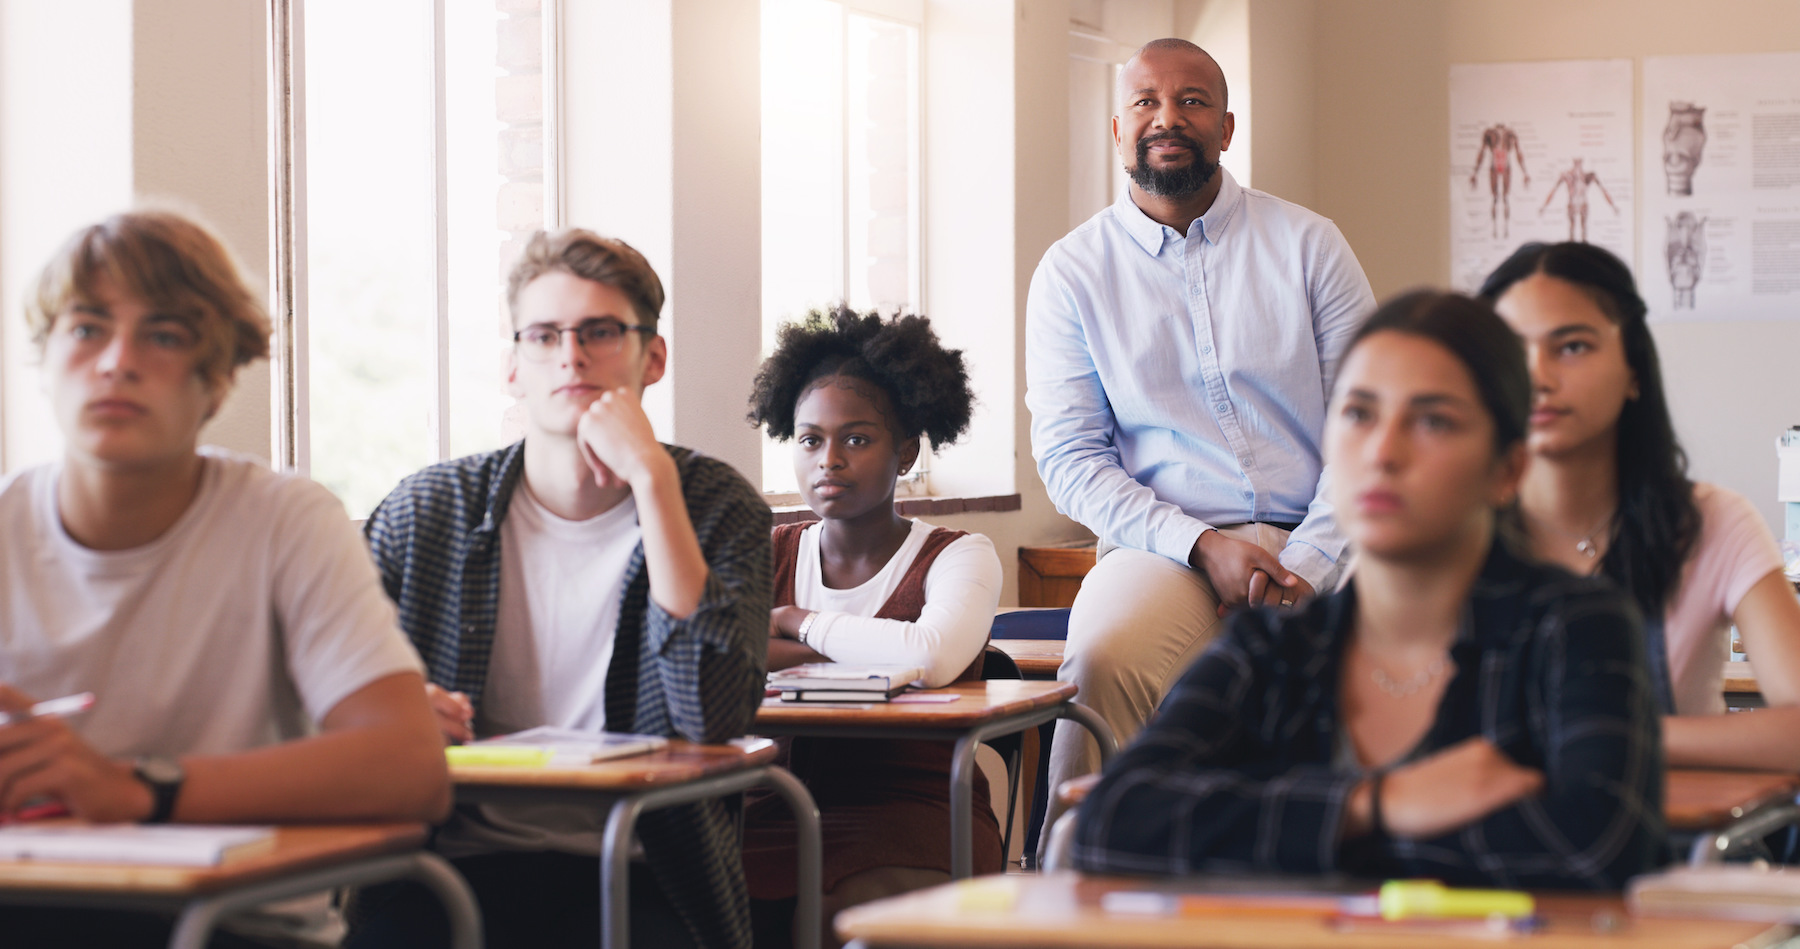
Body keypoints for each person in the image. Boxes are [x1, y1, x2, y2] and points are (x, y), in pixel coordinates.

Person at [1070, 291, 1663, 888]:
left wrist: (1276, 829)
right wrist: (1373, 804)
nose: (1383, 451)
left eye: (1433, 420)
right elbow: (1112, 821)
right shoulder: (1276, 648)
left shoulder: (1577, 627)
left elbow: (1597, 848)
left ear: (1507, 470)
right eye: (1359, 414)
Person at [0, 211, 449, 947]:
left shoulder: (284, 520)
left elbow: (408, 765)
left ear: (216, 379)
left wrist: (138, 790)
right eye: (86, 329)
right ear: (44, 361)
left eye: (164, 335)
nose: (117, 360)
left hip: (234, 923)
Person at [348, 229, 772, 949]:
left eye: (600, 331)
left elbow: (711, 713)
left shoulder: (715, 503)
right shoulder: (426, 511)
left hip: (644, 860)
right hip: (447, 859)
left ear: (653, 356)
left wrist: (654, 485)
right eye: (544, 335)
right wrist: (386, 707)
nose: (570, 354)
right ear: (514, 365)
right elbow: (320, 696)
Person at [1026, 37, 1375, 813]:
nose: (1167, 118)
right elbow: (1070, 456)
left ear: (1226, 127)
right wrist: (1203, 545)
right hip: (1165, 546)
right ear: (1118, 130)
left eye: (1192, 100)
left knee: (1423, 658)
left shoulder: (1310, 245)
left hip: (1331, 533)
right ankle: (1076, 882)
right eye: (1145, 101)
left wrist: (1307, 568)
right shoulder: (1072, 272)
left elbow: (1373, 431)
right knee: (1103, 655)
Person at [1482, 241, 1800, 771]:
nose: (1537, 376)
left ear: (1634, 370)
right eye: (1512, 352)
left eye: (1573, 346)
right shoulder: (1442, 529)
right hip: (1475, 848)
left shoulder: (1712, 524)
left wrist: (1619, 736)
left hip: (1666, 846)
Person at [741, 306, 1001, 948]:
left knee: (841, 918)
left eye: (856, 439)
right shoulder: (766, 549)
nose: (829, 460)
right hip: (773, 802)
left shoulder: (960, 553)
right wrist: (875, 657)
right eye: (809, 440)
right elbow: (725, 656)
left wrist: (793, 623)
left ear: (906, 449)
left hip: (918, 804)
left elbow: (929, 656)